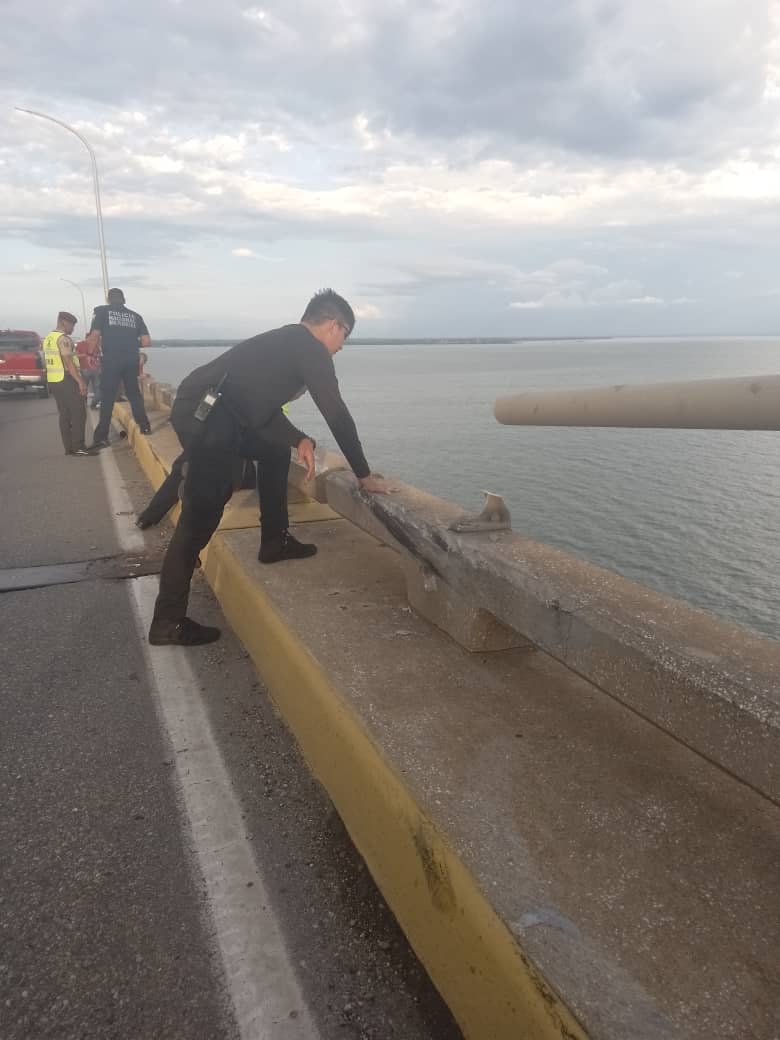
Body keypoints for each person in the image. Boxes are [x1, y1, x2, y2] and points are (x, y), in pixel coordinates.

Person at [148, 288, 395, 647]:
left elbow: (255, 405)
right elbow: (336, 412)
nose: (342, 346)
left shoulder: (285, 342)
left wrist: (298, 439)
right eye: (345, 336)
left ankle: (274, 541)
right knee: (200, 516)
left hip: (217, 412)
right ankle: (167, 621)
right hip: (208, 419)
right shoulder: (309, 349)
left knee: (275, 451)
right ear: (333, 325)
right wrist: (364, 475)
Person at [87, 287, 152, 448]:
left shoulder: (101, 312)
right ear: (124, 300)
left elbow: (94, 336)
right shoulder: (136, 316)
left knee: (108, 397)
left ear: (108, 299)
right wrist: (129, 343)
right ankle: (144, 426)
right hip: (131, 360)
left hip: (111, 360)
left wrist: (90, 355)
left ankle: (102, 437)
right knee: (134, 394)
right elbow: (146, 342)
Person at [42, 311, 92, 456]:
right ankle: (79, 447)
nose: (73, 328)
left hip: (53, 380)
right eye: (72, 325)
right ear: (64, 322)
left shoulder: (48, 338)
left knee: (64, 414)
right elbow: (68, 362)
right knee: (78, 413)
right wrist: (81, 382)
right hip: (66, 379)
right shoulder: (64, 339)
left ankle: (69, 448)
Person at [75, 337, 101, 409]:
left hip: (92, 369)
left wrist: (93, 357)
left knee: (95, 387)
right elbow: (76, 355)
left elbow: (98, 355)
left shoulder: (93, 345)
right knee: (89, 387)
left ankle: (91, 403)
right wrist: (86, 355)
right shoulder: (81, 344)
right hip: (88, 369)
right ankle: (89, 403)